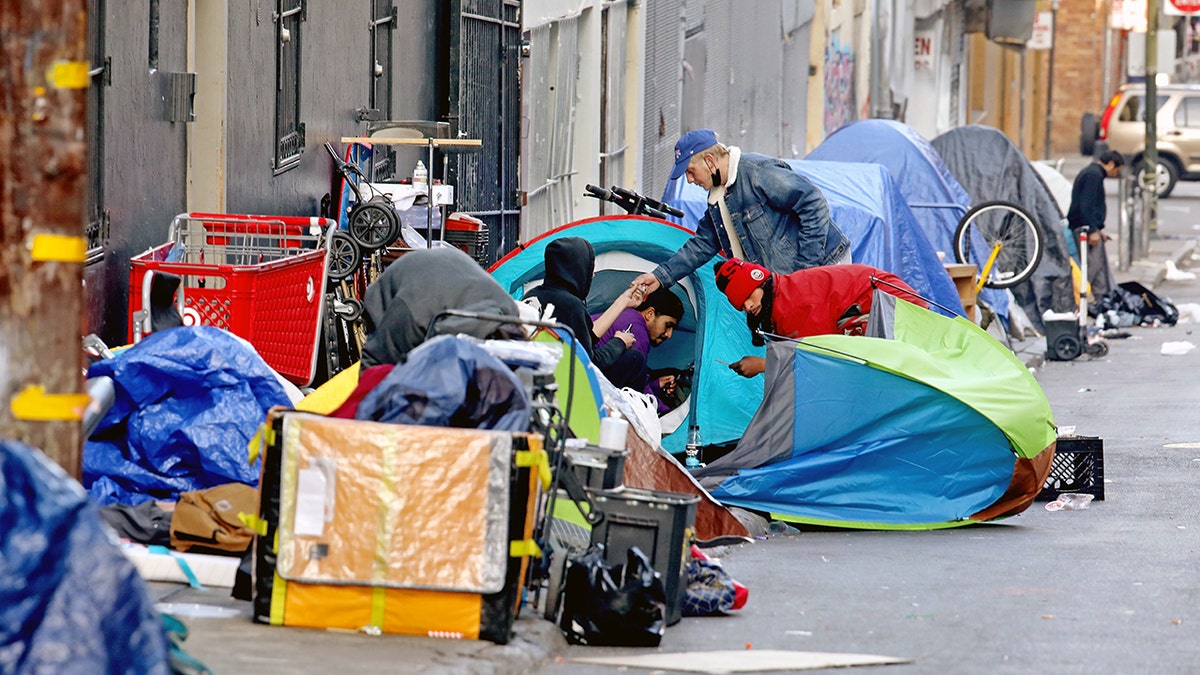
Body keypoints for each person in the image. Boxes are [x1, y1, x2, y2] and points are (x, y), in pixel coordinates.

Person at [630, 129, 851, 297]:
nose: (689, 180)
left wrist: (805, 272)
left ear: (709, 161)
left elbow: (814, 203)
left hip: (824, 266)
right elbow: (702, 245)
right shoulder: (718, 198)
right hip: (787, 284)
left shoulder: (757, 173)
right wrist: (660, 277)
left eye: (690, 171)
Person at [713, 258, 927, 378]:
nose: (748, 306)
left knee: (858, 369)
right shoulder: (780, 294)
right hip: (884, 303)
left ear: (761, 283)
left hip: (894, 309)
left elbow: (821, 356)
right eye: (741, 305)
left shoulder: (793, 305)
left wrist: (761, 365)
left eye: (749, 297)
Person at [359, 246, 524, 367]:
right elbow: (374, 364)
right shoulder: (411, 318)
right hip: (403, 292)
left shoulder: (508, 314)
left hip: (445, 275)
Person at [523, 237, 637, 368]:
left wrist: (623, 301)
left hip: (529, 373)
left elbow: (585, 338)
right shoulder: (571, 306)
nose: (593, 275)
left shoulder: (533, 295)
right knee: (634, 360)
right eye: (589, 268)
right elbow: (588, 364)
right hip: (562, 381)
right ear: (577, 268)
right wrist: (619, 342)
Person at [592, 287, 684, 408]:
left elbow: (633, 380)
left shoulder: (628, 316)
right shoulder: (636, 328)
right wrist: (669, 414)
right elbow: (638, 395)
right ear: (650, 314)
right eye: (668, 325)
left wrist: (656, 385)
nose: (669, 334)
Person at [1067, 149, 1124, 299]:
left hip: (1087, 226)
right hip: (1084, 228)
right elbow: (1087, 205)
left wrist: (1099, 229)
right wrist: (1092, 230)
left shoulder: (1093, 173)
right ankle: (1079, 296)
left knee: (1097, 266)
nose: (1116, 173)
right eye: (1117, 169)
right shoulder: (1093, 176)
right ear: (1111, 164)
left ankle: (1102, 299)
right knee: (1091, 266)